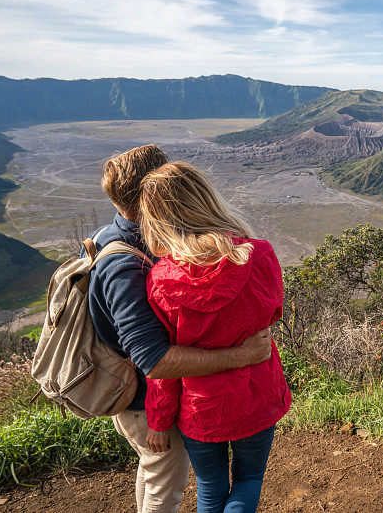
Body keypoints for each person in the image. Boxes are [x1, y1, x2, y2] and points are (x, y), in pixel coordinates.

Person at [87, 145, 273, 513]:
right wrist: (244, 353)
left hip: (188, 405)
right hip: (153, 403)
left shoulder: (144, 261)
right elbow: (155, 361)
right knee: (168, 486)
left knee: (197, 486)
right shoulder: (131, 267)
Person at [138, 162, 291, 513]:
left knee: (210, 490)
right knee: (249, 481)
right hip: (256, 395)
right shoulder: (259, 255)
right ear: (206, 199)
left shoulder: (161, 279)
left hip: (202, 408)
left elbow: (165, 362)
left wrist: (159, 420)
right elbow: (272, 314)